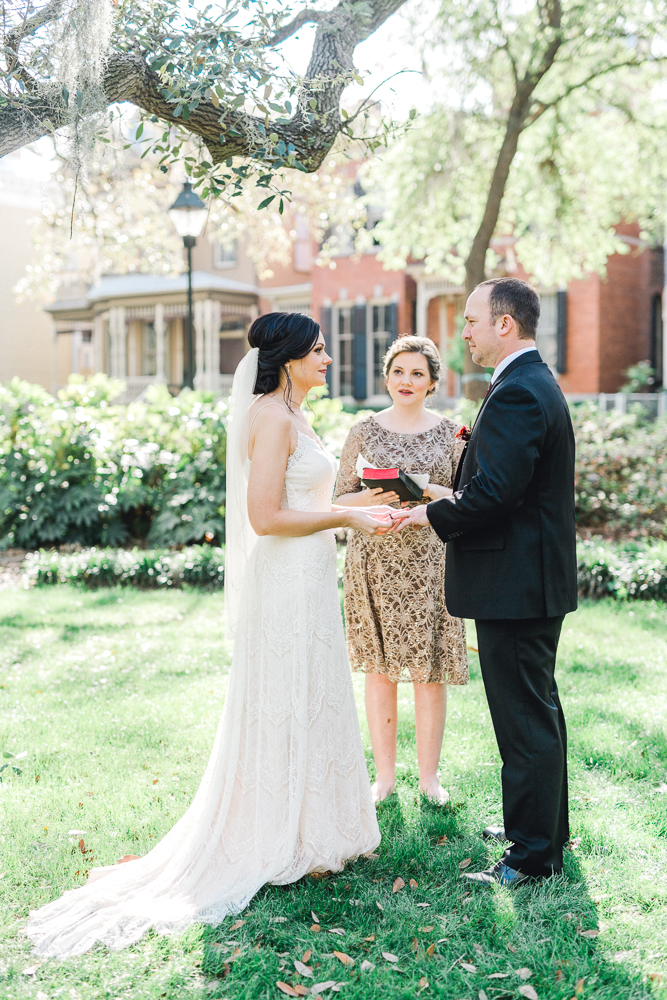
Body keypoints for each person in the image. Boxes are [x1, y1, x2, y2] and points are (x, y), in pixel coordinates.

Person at [26, 313, 389, 958]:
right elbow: (267, 517)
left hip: (309, 577)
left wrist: (363, 507)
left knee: (312, 693)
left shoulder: (294, 414)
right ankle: (277, 833)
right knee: (283, 695)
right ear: (288, 358)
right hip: (284, 583)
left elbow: (306, 499)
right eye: (319, 350)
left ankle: (311, 831)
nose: (329, 358)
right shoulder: (273, 419)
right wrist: (345, 517)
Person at [391, 278, 577, 886]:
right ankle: (544, 830)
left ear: (504, 324)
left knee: (524, 718)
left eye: (471, 320)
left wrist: (432, 511)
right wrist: (453, 493)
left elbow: (495, 497)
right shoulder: (523, 383)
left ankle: (529, 857)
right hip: (526, 580)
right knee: (536, 710)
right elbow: (503, 486)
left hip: (517, 585)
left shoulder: (520, 391)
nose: (462, 330)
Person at [335, 336, 468, 806]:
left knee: (428, 672)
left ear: (432, 382)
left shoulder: (452, 433)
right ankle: (385, 778)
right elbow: (337, 499)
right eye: (398, 372)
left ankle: (429, 778)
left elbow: (467, 499)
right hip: (375, 558)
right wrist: (373, 500)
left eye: (417, 373)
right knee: (380, 670)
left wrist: (424, 488)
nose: (406, 381)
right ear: (386, 377)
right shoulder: (364, 431)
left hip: (431, 561)